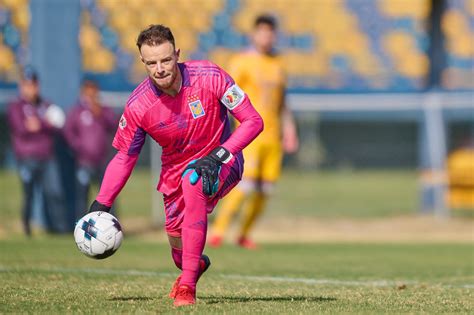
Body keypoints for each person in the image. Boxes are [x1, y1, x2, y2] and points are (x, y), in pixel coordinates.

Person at [86, 24, 263, 306]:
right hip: (173, 176)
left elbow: (254, 121)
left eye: (166, 60)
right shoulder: (138, 106)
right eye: (151, 63)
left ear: (177, 54)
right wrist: (101, 204)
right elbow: (124, 158)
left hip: (222, 162)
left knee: (192, 179)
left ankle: (187, 289)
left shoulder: (211, 76)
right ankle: (193, 267)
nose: (160, 69)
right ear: (142, 62)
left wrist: (220, 155)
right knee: (182, 257)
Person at [209, 15, 299, 249]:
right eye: (262, 31)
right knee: (244, 185)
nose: (266, 36)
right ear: (254, 34)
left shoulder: (278, 63)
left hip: (273, 136)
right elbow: (226, 96)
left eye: (270, 32)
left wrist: (289, 129)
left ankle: (244, 234)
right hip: (250, 136)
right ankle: (218, 231)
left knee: (265, 189)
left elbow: (283, 102)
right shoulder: (241, 62)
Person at [7, 66, 68, 235]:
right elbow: (22, 128)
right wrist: (45, 123)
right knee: (29, 195)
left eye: (33, 84)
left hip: (47, 157)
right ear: (22, 86)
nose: (31, 88)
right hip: (27, 157)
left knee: (54, 193)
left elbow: (56, 124)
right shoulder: (16, 106)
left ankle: (60, 230)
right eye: (27, 84)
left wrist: (38, 124)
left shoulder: (45, 104)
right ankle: (27, 229)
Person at [63, 79, 117, 221]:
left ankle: (111, 224)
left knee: (108, 195)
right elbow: (68, 132)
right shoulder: (77, 112)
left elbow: (114, 125)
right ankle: (81, 225)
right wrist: (79, 147)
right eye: (88, 90)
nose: (91, 94)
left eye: (94, 90)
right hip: (84, 161)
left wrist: (100, 114)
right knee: (82, 196)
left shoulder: (103, 110)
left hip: (102, 161)